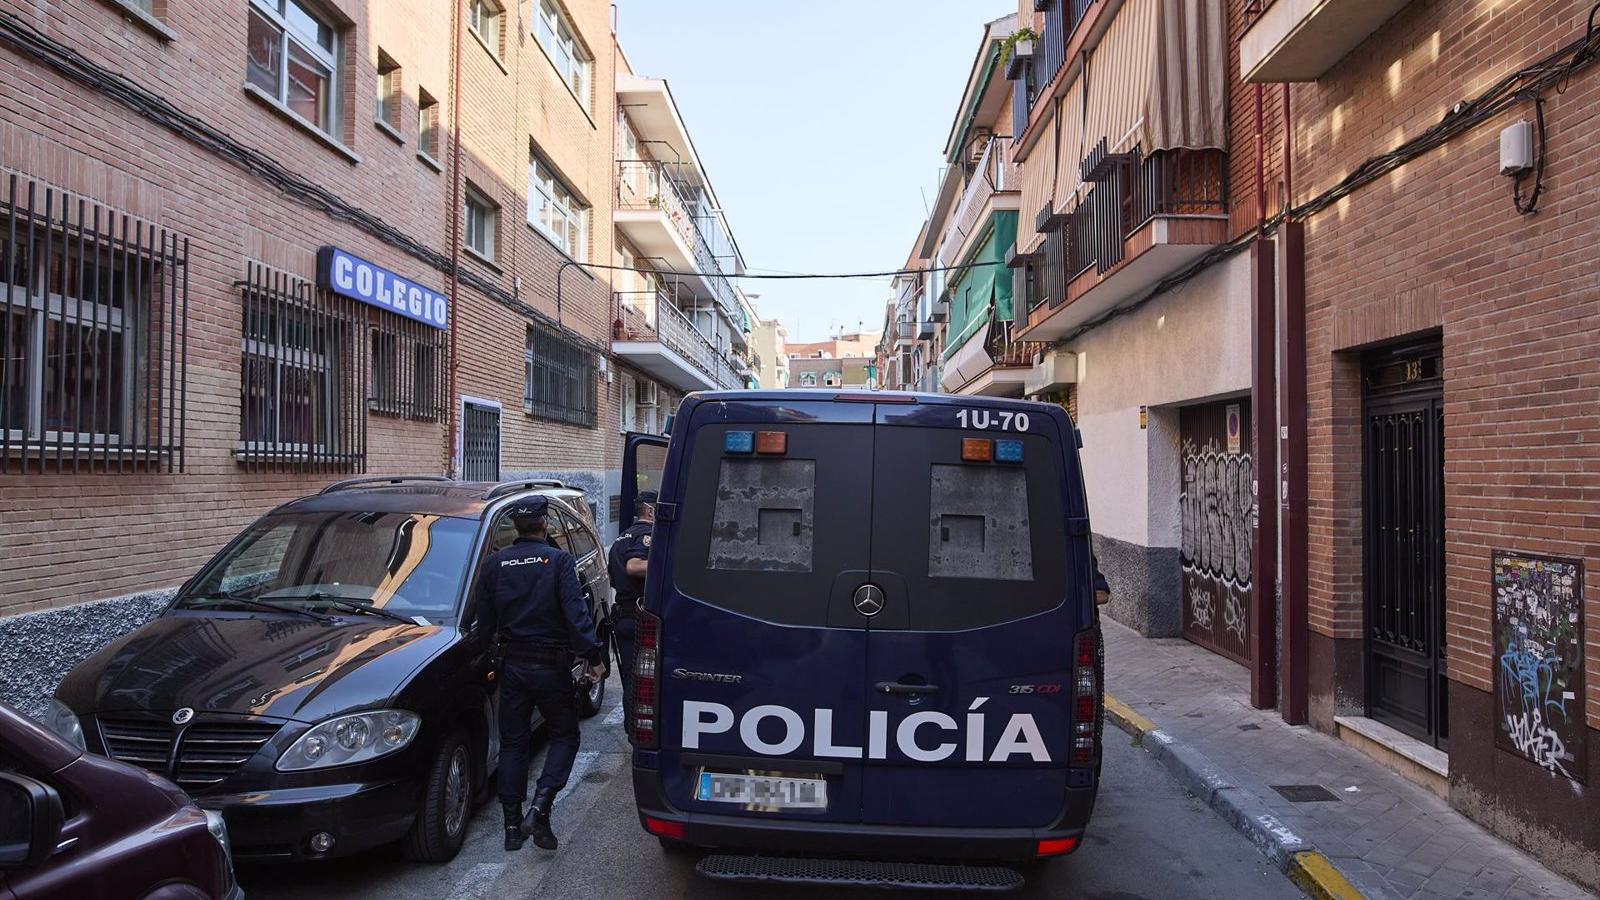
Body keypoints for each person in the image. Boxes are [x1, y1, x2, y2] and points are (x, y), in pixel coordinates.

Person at [476, 496, 605, 852]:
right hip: (551, 668)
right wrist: (595, 659)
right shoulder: (558, 561)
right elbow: (577, 618)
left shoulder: (494, 564)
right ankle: (541, 807)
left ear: (515, 527)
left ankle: (512, 828)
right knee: (565, 735)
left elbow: (485, 623)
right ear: (545, 525)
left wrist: (487, 661)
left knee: (514, 744)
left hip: (513, 668)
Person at [606, 490, 656, 739]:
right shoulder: (647, 534)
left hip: (623, 615)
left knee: (630, 678)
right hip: (639, 617)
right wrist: (663, 563)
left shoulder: (620, 537)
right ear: (650, 510)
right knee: (643, 680)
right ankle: (638, 733)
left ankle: (632, 731)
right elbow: (633, 565)